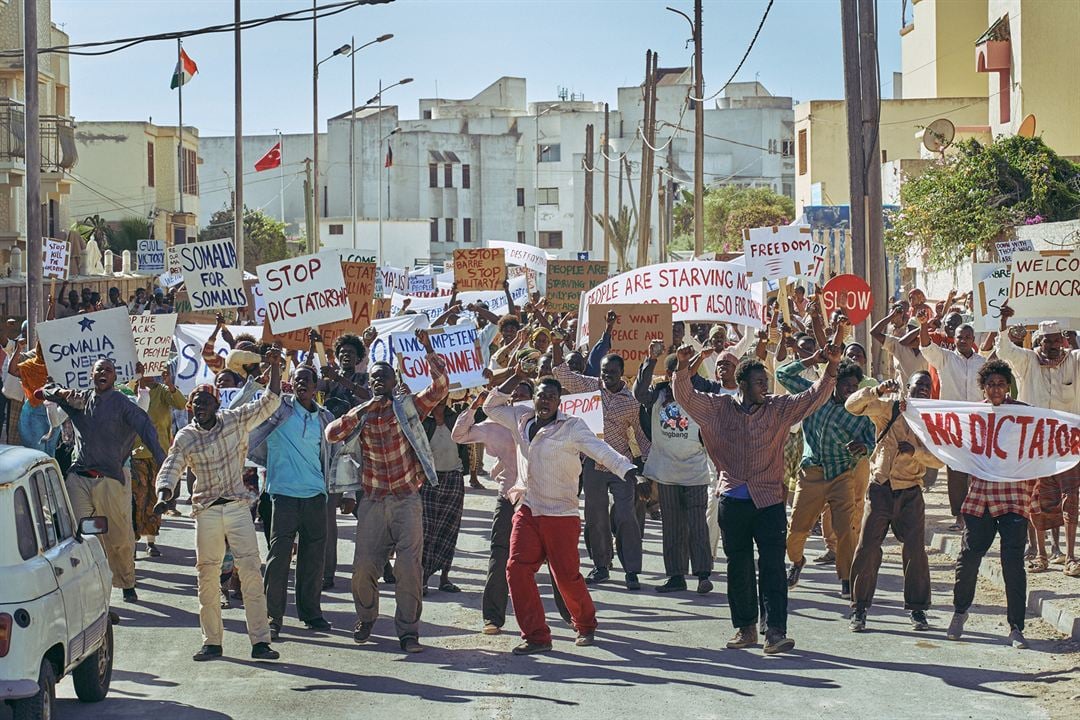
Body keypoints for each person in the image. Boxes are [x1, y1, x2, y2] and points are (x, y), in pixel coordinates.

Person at [672, 340, 842, 655]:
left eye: (767, 382)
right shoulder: (718, 408)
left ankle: (775, 632)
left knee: (773, 567)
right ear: (743, 384)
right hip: (733, 500)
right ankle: (745, 628)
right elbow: (685, 396)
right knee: (739, 567)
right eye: (759, 382)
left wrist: (832, 366)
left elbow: (813, 397)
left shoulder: (778, 408)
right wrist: (683, 368)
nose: (765, 387)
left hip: (769, 502)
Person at [483, 373, 641, 654]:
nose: (545, 401)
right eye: (541, 395)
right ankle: (536, 636)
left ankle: (585, 625)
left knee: (565, 577)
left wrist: (626, 469)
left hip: (561, 514)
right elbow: (490, 407)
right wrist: (516, 376)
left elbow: (600, 450)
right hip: (529, 509)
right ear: (535, 397)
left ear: (559, 402)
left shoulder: (572, 427)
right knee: (516, 570)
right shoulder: (521, 417)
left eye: (551, 397)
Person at [154, 350, 284, 662]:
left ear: (217, 405)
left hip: (238, 508)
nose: (200, 407)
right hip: (207, 512)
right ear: (190, 407)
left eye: (206, 402)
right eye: (196, 403)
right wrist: (164, 492)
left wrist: (276, 368)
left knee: (251, 571)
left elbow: (270, 401)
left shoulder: (235, 420)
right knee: (207, 576)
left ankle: (260, 642)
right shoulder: (185, 436)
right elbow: (172, 465)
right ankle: (211, 642)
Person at [323, 329, 448, 654]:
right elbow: (331, 434)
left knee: (409, 569)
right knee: (364, 566)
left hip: (407, 499)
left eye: (384, 378)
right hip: (374, 501)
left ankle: (408, 632)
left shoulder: (408, 408)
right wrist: (361, 411)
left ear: (394, 383)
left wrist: (427, 348)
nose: (378, 382)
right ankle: (366, 617)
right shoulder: (362, 413)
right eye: (374, 378)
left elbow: (440, 387)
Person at [42, 358, 166, 604]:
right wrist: (57, 390)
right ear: (91, 375)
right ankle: (90, 586)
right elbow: (48, 395)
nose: (103, 373)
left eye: (108, 370)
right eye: (99, 369)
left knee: (119, 537)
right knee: (81, 535)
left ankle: (126, 582)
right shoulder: (80, 399)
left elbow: (146, 428)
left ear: (114, 377)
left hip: (112, 480)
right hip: (80, 479)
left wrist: (164, 463)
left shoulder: (124, 404)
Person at [552, 316, 650, 590]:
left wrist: (644, 473)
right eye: (604, 372)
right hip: (593, 465)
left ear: (622, 373)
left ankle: (631, 570)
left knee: (626, 517)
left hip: (620, 466)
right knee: (595, 517)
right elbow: (560, 373)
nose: (607, 377)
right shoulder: (590, 387)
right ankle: (601, 565)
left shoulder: (630, 403)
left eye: (612, 373)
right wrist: (558, 344)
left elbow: (641, 437)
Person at [948, 360, 1037, 648]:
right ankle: (960, 612)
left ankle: (1016, 628)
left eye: (1001, 383)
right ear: (983, 388)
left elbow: (1041, 441)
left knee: (1012, 563)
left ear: (1008, 386)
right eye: (990, 384)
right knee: (970, 557)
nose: (996, 389)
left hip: (1014, 496)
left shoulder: (1024, 413)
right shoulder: (973, 415)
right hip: (981, 497)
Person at [846, 371, 942, 632]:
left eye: (926, 385)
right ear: (907, 388)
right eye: (917, 385)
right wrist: (876, 391)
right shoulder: (889, 409)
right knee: (867, 548)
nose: (922, 389)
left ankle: (918, 609)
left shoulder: (933, 421)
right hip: (881, 488)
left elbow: (940, 459)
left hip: (910, 491)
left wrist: (917, 453)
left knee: (915, 552)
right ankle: (859, 608)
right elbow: (852, 405)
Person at [248, 365, 335, 640]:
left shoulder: (325, 417)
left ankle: (311, 613)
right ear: (291, 384)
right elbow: (257, 405)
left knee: (313, 559)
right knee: (279, 558)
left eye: (307, 381)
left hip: (315, 495)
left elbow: (335, 452)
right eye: (297, 380)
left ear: (316, 385)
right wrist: (270, 373)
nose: (302, 385)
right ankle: (273, 617)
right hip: (283, 494)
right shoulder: (279, 411)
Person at [777, 357, 875, 599]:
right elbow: (782, 375)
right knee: (796, 531)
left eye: (855, 387)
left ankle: (845, 577)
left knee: (846, 530)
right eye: (846, 386)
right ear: (834, 384)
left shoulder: (862, 411)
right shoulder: (815, 396)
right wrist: (812, 359)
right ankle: (797, 562)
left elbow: (872, 442)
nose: (851, 392)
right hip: (812, 473)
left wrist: (863, 447)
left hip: (842, 473)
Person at [997, 314, 1080, 578]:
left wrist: (1074, 340)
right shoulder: (1029, 361)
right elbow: (1005, 350)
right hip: (1033, 441)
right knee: (1035, 499)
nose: (1054, 346)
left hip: (1067, 440)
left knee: (1071, 497)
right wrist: (1004, 323)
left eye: (1058, 340)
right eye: (1048, 341)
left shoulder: (1074, 360)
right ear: (1039, 341)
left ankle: (1070, 557)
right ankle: (1041, 554)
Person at [634, 343, 712, 594]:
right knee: (672, 526)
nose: (684, 374)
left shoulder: (701, 392)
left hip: (694, 471)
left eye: (688, 369)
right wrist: (650, 358)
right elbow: (638, 393)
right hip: (666, 472)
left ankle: (703, 575)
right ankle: (676, 576)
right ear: (669, 375)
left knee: (697, 525)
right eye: (679, 370)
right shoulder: (657, 393)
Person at [921, 319, 986, 531]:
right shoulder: (945, 358)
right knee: (956, 472)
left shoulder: (982, 362)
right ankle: (959, 516)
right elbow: (926, 346)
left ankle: (977, 514)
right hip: (953, 425)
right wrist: (923, 324)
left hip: (977, 424)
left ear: (973, 340)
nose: (964, 340)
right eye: (960, 337)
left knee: (977, 471)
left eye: (968, 337)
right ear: (954, 339)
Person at [130, 368, 186, 558]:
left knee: (154, 499)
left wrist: (170, 384)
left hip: (159, 454)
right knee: (137, 499)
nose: (149, 372)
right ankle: (133, 543)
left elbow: (181, 404)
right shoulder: (129, 390)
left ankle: (151, 541)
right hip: (135, 454)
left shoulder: (162, 391)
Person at [420, 396, 470, 594]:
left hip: (453, 479)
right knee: (426, 530)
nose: (439, 402)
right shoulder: (423, 421)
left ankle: (444, 578)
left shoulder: (456, 418)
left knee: (450, 528)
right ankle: (423, 578)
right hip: (429, 479)